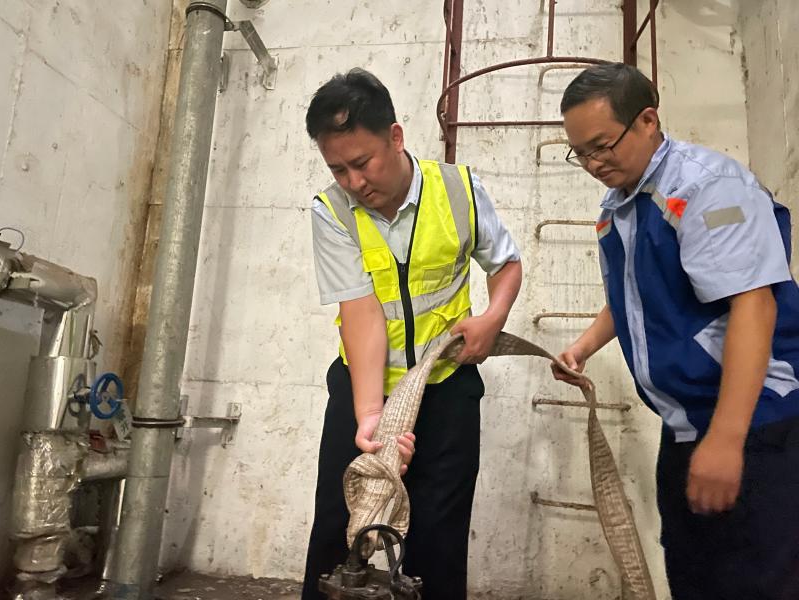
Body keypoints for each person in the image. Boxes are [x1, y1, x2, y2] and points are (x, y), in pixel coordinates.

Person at [551, 62, 799, 599]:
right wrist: (585, 346)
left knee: (759, 581)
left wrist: (728, 441)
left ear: (646, 120)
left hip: (756, 424)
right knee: (694, 577)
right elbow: (634, 297)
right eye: (581, 153)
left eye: (602, 146)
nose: (593, 163)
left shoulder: (707, 188)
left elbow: (755, 306)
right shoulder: (621, 203)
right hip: (685, 426)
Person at [301, 68, 523, 600]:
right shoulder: (331, 211)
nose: (353, 182)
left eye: (361, 163)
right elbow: (361, 313)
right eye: (338, 169)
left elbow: (507, 264)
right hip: (364, 389)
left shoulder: (460, 190)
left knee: (439, 539)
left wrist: (493, 319)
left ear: (395, 137)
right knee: (341, 527)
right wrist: (371, 417)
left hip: (446, 390)